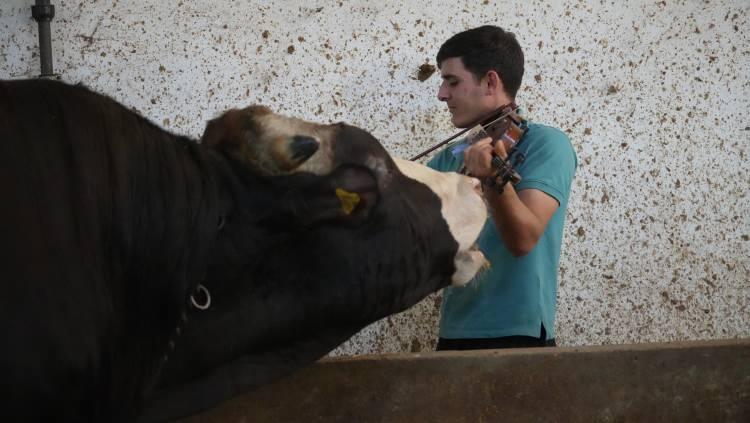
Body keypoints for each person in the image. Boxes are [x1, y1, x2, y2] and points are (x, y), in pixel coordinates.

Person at [427, 25, 577, 350]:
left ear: (491, 82)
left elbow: (523, 239)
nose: (441, 94)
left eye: (452, 81)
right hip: (453, 332)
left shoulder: (547, 145)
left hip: (518, 334)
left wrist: (493, 177)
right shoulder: (450, 158)